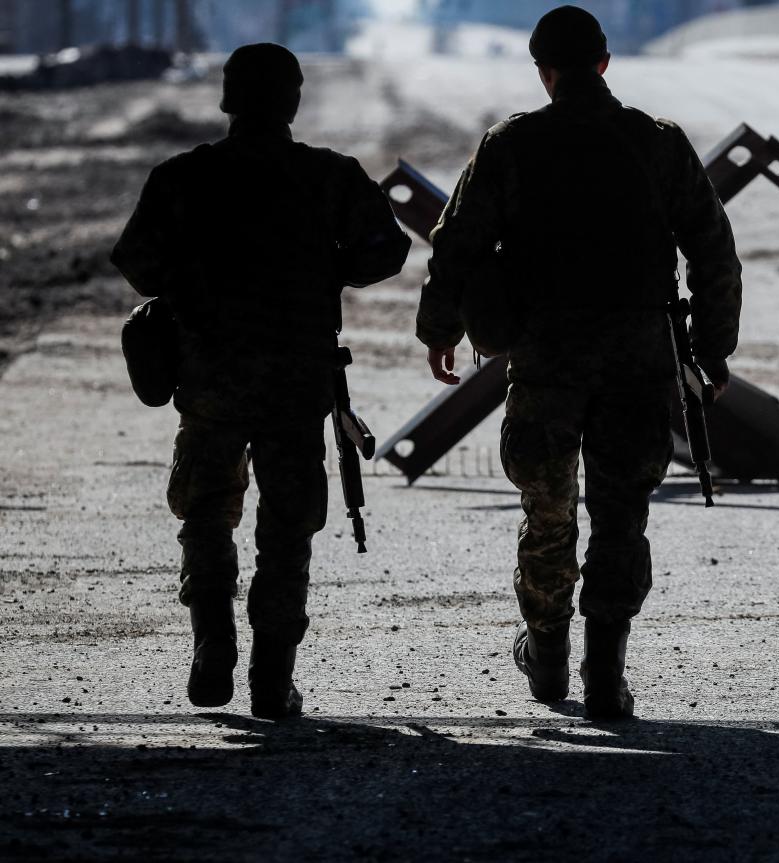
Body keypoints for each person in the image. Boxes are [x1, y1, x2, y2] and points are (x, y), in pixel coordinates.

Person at [415, 7, 741, 720]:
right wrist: (712, 349)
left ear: (544, 72)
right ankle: (605, 674)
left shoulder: (512, 144)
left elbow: (458, 243)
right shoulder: (658, 143)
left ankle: (547, 656)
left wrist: (439, 329)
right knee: (621, 515)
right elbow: (714, 249)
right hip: (638, 360)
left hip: (546, 360)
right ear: (604, 64)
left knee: (547, 510)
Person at [111, 43, 410, 719]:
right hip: (295, 381)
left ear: (228, 100)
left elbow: (138, 262)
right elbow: (387, 250)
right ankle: (272, 677)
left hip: (209, 377)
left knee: (206, 512)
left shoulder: (182, 176)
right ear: (293, 102)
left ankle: (212, 638)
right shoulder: (328, 176)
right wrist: (324, 269)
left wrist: (195, 279)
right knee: (288, 526)